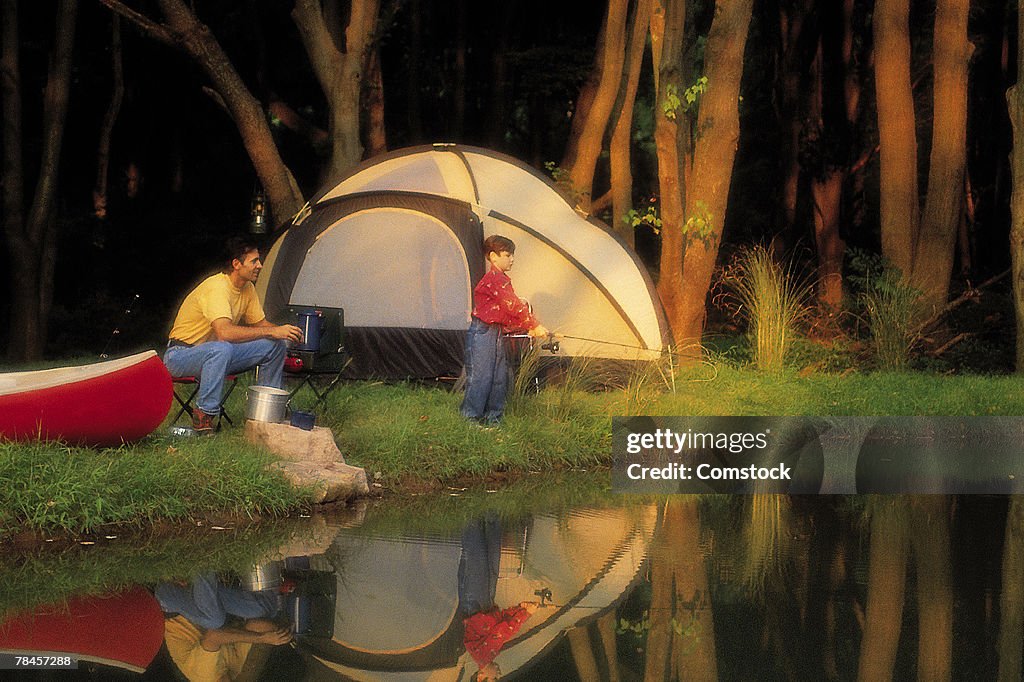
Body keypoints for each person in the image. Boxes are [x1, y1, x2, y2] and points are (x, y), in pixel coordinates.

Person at [164, 236, 303, 433]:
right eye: (254, 261)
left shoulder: (247, 288)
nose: (260, 265)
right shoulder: (217, 288)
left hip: (218, 355)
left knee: (275, 345)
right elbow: (224, 333)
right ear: (236, 264)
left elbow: (262, 325)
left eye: (259, 260)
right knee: (222, 347)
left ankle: (267, 411)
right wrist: (273, 330)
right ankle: (204, 417)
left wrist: (285, 333)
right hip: (180, 356)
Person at [460, 235, 549, 426]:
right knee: (481, 376)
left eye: (512, 255)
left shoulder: (503, 281)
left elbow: (506, 314)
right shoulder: (493, 280)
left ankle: (494, 418)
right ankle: (471, 417)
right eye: (508, 255)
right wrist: (534, 325)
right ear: (493, 256)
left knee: (499, 377)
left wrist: (528, 328)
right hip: (482, 333)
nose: (512, 259)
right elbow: (513, 306)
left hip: (497, 333)